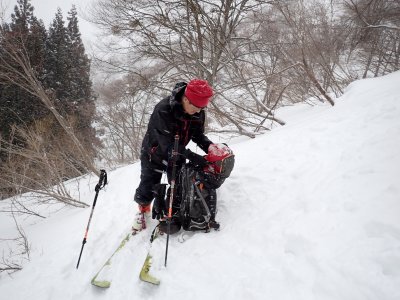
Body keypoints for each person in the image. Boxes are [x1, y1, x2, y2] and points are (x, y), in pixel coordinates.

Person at [132, 79, 216, 232]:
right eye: (196, 107)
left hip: (178, 153)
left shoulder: (198, 111)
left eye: (202, 108)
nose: (199, 111)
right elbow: (168, 144)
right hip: (154, 153)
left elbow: (197, 135)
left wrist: (210, 147)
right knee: (148, 185)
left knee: (176, 185)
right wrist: (192, 155)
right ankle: (143, 210)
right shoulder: (163, 110)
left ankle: (170, 211)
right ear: (185, 99)